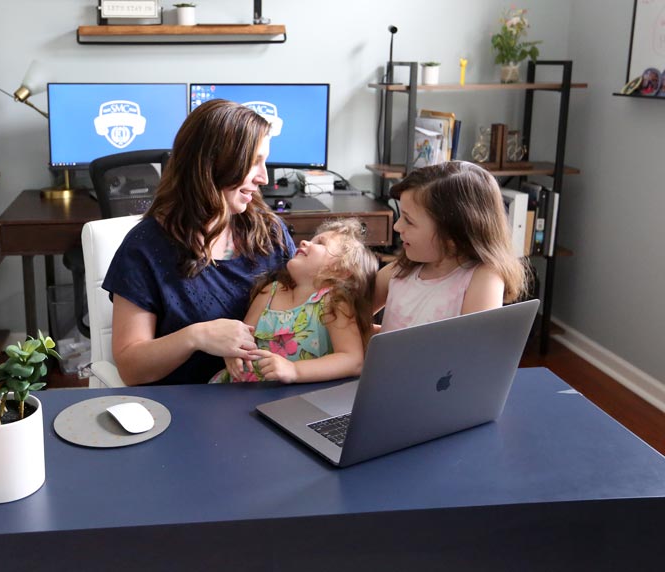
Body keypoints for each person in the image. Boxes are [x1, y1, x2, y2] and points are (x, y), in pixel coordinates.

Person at [103, 99, 296, 386]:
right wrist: (198, 336)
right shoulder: (145, 247)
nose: (264, 178)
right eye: (254, 161)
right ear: (215, 163)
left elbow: (313, 302)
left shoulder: (268, 232)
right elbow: (131, 367)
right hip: (184, 408)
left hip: (266, 398)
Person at [210, 218, 378, 384]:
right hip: (237, 388)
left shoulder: (334, 302)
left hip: (291, 398)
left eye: (320, 243)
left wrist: (294, 370)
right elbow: (244, 336)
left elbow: (352, 360)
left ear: (342, 270)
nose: (304, 242)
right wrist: (235, 352)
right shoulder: (271, 290)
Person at [373, 161, 527, 332]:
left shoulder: (483, 278)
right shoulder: (401, 270)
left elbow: (474, 351)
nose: (397, 227)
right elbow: (351, 312)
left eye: (408, 220)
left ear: (452, 235)